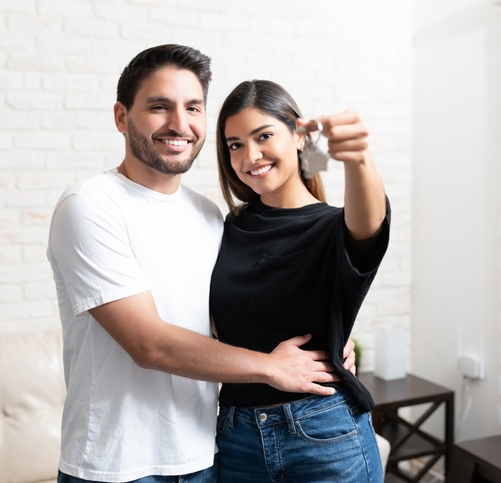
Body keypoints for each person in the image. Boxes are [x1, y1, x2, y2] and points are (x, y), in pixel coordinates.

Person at [47, 44, 354, 483]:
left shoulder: (211, 215)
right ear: (121, 117)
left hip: (206, 455)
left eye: (193, 107)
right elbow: (148, 343)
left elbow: (231, 315)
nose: (180, 124)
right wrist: (272, 365)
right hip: (115, 465)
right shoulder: (90, 206)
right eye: (159, 106)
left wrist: (329, 335)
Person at [211, 79, 390, 482]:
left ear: (297, 135)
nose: (249, 155)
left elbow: (369, 225)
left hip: (323, 430)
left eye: (264, 136)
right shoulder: (226, 228)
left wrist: (357, 159)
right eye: (235, 144)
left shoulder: (331, 227)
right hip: (237, 435)